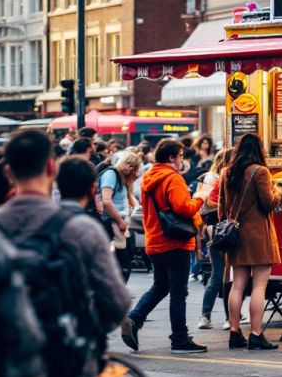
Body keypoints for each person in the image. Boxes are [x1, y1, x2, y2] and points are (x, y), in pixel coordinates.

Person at [0, 130, 129, 377]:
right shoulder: (79, 229)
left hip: (2, 373)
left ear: (9, 172)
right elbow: (116, 302)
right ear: (51, 168)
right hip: (66, 368)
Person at [121, 139, 207, 354]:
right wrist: (199, 198)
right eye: (180, 156)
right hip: (175, 242)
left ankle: (134, 318)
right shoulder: (172, 178)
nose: (182, 160)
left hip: (155, 240)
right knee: (178, 291)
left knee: (161, 286)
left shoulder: (149, 177)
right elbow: (184, 208)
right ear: (171, 157)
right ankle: (179, 339)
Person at [220, 133, 282, 350]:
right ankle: (256, 334)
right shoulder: (260, 172)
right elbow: (267, 204)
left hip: (235, 236)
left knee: (237, 285)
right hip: (258, 236)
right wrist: (278, 192)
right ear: (259, 150)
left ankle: (234, 333)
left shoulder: (227, 173)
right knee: (259, 286)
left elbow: (222, 207)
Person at [196, 148, 235, 330]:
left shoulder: (213, 177)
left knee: (218, 274)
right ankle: (228, 317)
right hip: (223, 229)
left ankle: (206, 316)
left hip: (214, 229)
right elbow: (208, 203)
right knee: (224, 274)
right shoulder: (219, 178)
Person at [100, 152, 142, 282]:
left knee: (123, 260)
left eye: (133, 168)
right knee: (122, 262)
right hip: (112, 223)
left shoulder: (121, 177)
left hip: (120, 223)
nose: (130, 169)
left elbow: (129, 197)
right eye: (130, 165)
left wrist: (137, 207)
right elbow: (106, 200)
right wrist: (120, 221)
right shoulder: (111, 174)